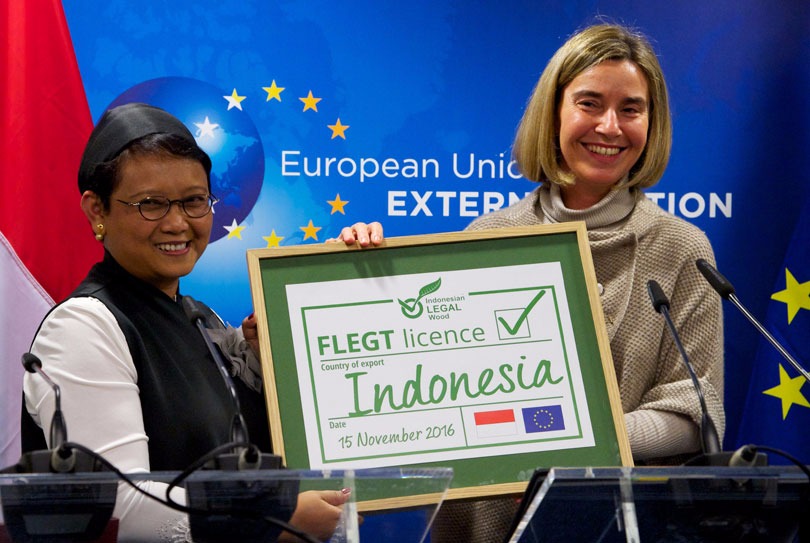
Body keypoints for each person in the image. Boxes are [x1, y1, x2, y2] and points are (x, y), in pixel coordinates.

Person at [382, 22, 724, 543]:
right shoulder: (487, 238)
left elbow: (695, 412)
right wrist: (356, 275)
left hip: (622, 528)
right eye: (590, 103)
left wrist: (569, 444)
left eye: (631, 109)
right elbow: (425, 393)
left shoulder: (682, 249)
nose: (610, 126)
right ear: (554, 112)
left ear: (652, 124)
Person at [20, 102, 383, 542]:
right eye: (151, 204)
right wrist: (270, 520)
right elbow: (118, 505)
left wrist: (345, 286)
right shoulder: (82, 327)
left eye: (194, 201)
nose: (177, 223)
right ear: (97, 210)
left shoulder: (200, 318)